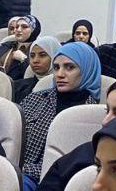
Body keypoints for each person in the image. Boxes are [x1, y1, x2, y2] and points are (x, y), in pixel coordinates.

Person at [19, 41, 102, 182]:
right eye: (56, 67)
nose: (60, 74)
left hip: (62, 183)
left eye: (70, 67)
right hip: (21, 175)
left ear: (87, 70)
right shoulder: (35, 99)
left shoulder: (94, 115)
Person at [14, 36, 61, 105]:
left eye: (42, 55)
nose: (35, 60)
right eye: (32, 56)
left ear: (55, 57)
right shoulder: (17, 87)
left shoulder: (63, 88)